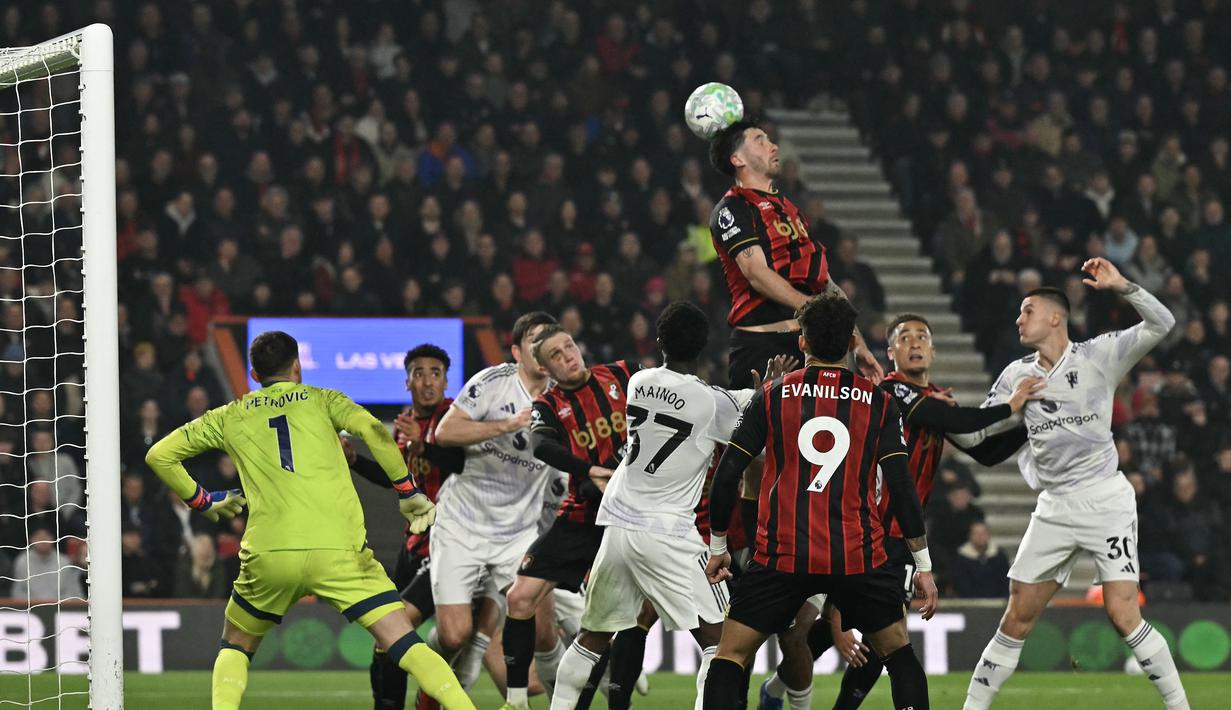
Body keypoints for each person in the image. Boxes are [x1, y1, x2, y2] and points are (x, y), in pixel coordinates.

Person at [143, 330, 472, 710]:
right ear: (297, 365)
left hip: (270, 553)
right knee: (404, 642)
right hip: (339, 552)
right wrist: (408, 490)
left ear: (253, 373)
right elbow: (373, 430)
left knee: (235, 646)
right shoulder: (324, 399)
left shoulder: (229, 414)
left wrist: (203, 501)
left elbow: (159, 455)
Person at [759, 313, 1043, 709]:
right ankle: (776, 687)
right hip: (860, 527)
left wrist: (1034, 425)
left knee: (876, 648)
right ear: (890, 352)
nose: (914, 343)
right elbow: (949, 418)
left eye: (922, 337)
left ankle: (778, 689)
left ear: (933, 350)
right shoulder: (890, 392)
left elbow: (984, 451)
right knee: (833, 633)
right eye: (904, 337)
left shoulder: (934, 399)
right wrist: (1011, 406)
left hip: (903, 541)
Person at [963, 258, 1189, 710]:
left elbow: (1164, 322)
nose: (1018, 319)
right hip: (1054, 506)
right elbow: (975, 435)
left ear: (1054, 317)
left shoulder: (1099, 355)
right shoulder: (1015, 374)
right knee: (1017, 615)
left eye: (1027, 310)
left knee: (1124, 614)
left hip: (1105, 498)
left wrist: (1123, 285)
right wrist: (1006, 407)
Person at [549, 302, 792, 710]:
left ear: (659, 341)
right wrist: (768, 390)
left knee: (590, 638)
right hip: (668, 533)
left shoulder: (639, 382)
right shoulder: (712, 403)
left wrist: (756, 395)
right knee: (725, 643)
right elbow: (751, 416)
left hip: (618, 526)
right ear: (704, 346)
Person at [702, 293, 938, 710]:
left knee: (731, 655)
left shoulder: (772, 396)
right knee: (899, 656)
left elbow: (726, 477)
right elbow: (901, 488)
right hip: (856, 556)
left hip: (782, 556)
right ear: (851, 343)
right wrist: (923, 566)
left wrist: (719, 547)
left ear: (802, 343)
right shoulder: (880, 403)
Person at [707, 119, 884, 558]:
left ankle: (810, 548)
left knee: (813, 448)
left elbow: (823, 280)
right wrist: (811, 313)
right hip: (760, 346)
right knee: (755, 456)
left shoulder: (789, 208)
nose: (772, 145)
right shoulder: (732, 209)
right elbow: (755, 272)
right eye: (760, 140)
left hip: (810, 348)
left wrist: (855, 340)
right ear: (737, 158)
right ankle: (752, 554)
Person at [499, 324, 636, 710]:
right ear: (546, 369)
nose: (567, 357)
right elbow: (542, 446)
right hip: (581, 514)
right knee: (520, 597)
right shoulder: (547, 405)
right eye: (556, 356)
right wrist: (590, 470)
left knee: (623, 619)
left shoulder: (625, 374)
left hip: (633, 517)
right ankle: (516, 701)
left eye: (569, 347)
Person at [430, 312, 559, 681]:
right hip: (461, 524)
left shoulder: (563, 395)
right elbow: (445, 432)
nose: (543, 346)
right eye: (534, 340)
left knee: (544, 635)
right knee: (453, 635)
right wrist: (508, 424)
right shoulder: (493, 382)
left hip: (518, 534)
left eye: (549, 338)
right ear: (517, 351)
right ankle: (431, 668)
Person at [350, 343, 468, 710]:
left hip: (448, 547)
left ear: (447, 381)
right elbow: (394, 478)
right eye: (420, 373)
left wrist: (424, 445)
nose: (428, 381)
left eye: (436, 373)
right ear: (407, 382)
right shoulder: (404, 425)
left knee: (395, 631)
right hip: (414, 546)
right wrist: (355, 459)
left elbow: (462, 465)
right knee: (385, 638)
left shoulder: (456, 419)